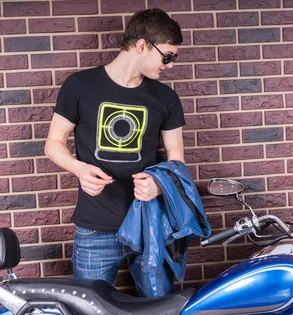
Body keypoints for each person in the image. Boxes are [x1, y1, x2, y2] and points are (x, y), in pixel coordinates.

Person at [44, 8, 185, 297]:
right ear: (142, 44)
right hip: (95, 229)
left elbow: (176, 158)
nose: (169, 65)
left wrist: (161, 184)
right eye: (167, 56)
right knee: (90, 306)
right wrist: (80, 169)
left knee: (159, 307)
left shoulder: (166, 98)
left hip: (149, 223)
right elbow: (53, 143)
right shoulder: (80, 86)